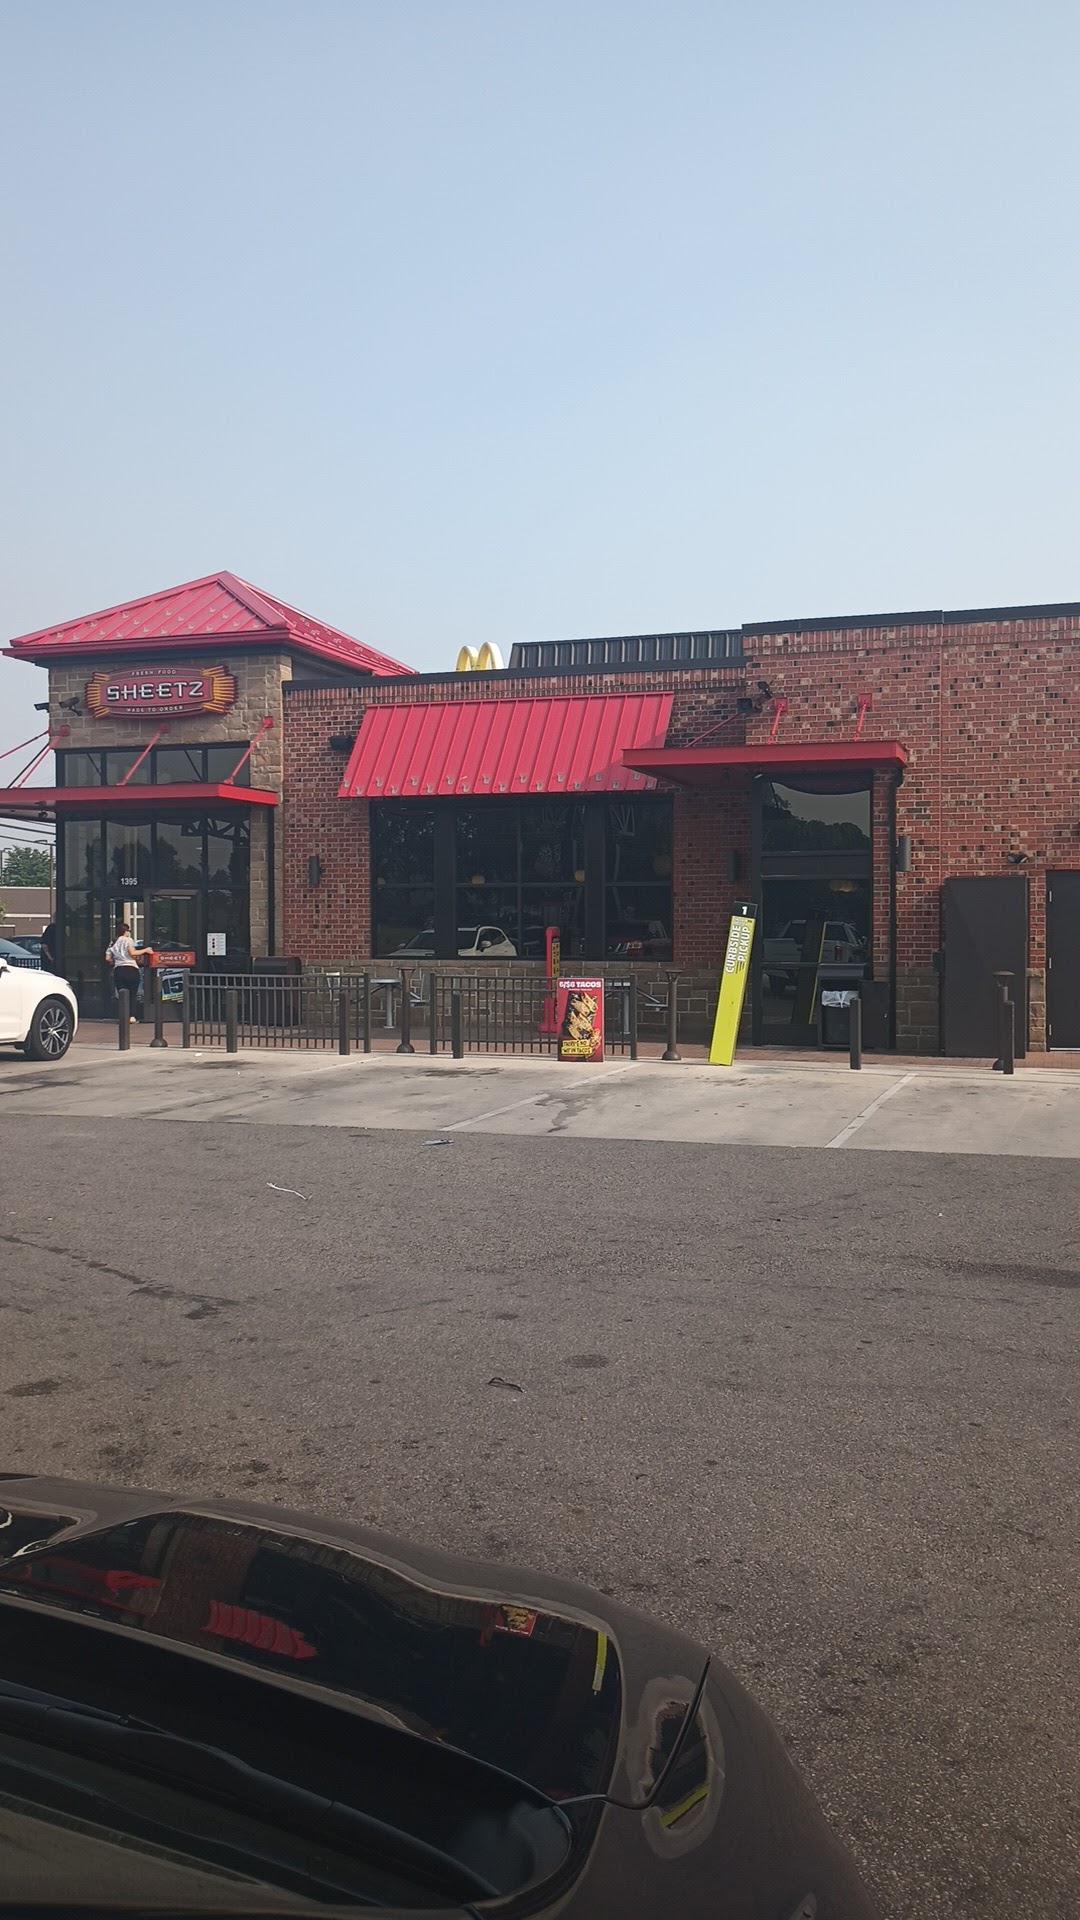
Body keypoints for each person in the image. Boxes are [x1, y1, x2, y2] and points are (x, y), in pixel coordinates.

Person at [105, 922, 153, 1022]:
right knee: (133, 994)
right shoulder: (128, 940)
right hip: (131, 969)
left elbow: (107, 958)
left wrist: (117, 960)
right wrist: (146, 950)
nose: (129, 933)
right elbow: (132, 953)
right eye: (129, 931)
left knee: (122, 994)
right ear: (125, 931)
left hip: (118, 970)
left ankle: (123, 1015)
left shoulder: (113, 942)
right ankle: (131, 1016)